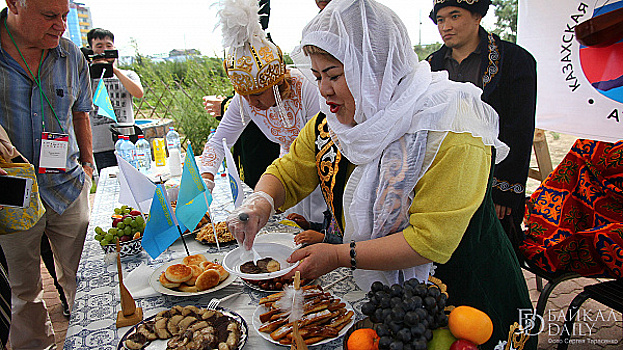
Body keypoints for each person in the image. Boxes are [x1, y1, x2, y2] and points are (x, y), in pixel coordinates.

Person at [227, 0, 536, 348]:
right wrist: (260, 202)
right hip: (393, 305)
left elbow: (429, 240)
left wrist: (340, 254)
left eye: (333, 75)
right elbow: (290, 171)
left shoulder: (451, 128)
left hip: (468, 301)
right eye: (316, 77)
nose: (324, 90)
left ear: (373, 69)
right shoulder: (334, 125)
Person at [0, 0, 93, 348]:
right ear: (14, 4)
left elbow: (81, 113)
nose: (61, 26)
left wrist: (87, 165)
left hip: (67, 186)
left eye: (65, 16)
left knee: (84, 279)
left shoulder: (71, 56)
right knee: (23, 293)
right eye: (50, 16)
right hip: (11, 197)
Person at [200, 0, 325, 223]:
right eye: (245, 95)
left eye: (257, 95)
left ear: (277, 84)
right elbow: (219, 141)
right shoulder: (246, 99)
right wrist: (206, 180)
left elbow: (322, 145)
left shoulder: (306, 88)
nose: (250, 103)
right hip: (287, 176)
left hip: (320, 177)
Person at [426, 0, 537, 238]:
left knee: (491, 251)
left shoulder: (514, 60)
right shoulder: (431, 65)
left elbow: (519, 128)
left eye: (454, 16)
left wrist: (504, 190)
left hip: (490, 182)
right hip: (443, 181)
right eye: (441, 19)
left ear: (477, 16)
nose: (446, 26)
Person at [87, 28, 144, 173]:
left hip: (128, 141)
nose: (104, 50)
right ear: (91, 50)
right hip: (101, 145)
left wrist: (114, 70)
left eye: (108, 46)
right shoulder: (85, 76)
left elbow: (138, 93)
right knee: (110, 185)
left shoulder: (128, 74)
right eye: (99, 46)